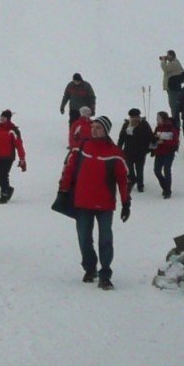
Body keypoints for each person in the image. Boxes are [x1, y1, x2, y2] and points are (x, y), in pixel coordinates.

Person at [57, 114, 131, 288]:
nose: (94, 130)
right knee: (84, 238)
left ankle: (105, 273)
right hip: (82, 202)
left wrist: (126, 202)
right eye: (93, 127)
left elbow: (123, 180)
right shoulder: (81, 147)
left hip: (105, 204)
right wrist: (63, 190)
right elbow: (69, 169)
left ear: (106, 130)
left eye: (98, 127)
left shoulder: (115, 153)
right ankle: (90, 268)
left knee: (105, 239)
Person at [0, 110, 27, 203]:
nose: (2, 119)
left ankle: (4, 195)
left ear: (8, 119)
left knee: (3, 176)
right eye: (1, 117)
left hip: (8, 157)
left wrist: (22, 158)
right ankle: (8, 189)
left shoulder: (13, 131)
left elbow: (19, 145)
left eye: (4, 117)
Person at [117, 109, 153, 193]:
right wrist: (119, 148)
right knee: (129, 168)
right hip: (128, 151)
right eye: (132, 117)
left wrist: (148, 148)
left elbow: (149, 136)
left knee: (139, 169)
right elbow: (121, 137)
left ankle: (140, 185)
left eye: (136, 117)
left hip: (140, 152)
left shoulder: (144, 124)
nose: (134, 119)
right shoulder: (126, 125)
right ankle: (133, 179)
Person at [152, 112, 178, 198]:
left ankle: (167, 190)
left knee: (167, 170)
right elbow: (154, 138)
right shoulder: (157, 128)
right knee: (157, 171)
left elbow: (174, 141)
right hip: (159, 152)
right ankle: (165, 187)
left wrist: (163, 142)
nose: (157, 119)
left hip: (169, 152)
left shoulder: (171, 128)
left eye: (158, 117)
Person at [160, 51, 184, 122]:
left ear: (172, 55)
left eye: (168, 55)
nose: (167, 57)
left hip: (174, 89)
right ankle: (175, 123)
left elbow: (165, 68)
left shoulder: (174, 63)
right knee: (173, 106)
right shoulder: (174, 63)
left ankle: (176, 124)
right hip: (172, 88)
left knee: (174, 107)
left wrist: (163, 60)